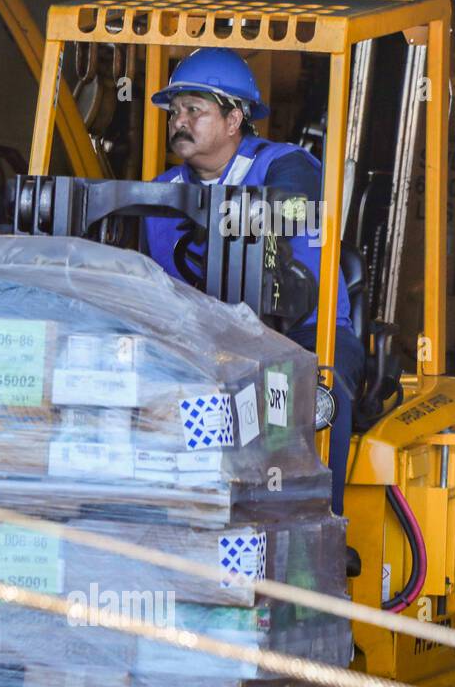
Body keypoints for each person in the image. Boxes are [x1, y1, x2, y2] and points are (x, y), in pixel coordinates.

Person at [143, 47, 364, 515]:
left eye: (194, 110)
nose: (178, 121)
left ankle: (324, 527)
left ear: (233, 119)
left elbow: (297, 204)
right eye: (175, 111)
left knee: (325, 395)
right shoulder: (159, 192)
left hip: (301, 334)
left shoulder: (285, 163)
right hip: (205, 341)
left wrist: (232, 215)